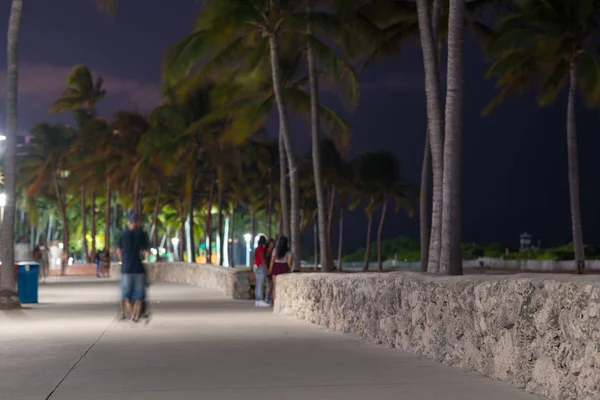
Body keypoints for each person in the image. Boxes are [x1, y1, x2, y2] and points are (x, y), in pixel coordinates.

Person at [117, 213, 150, 322]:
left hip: (126, 269)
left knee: (126, 295)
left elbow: (118, 250)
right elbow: (147, 251)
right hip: (139, 269)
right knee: (139, 296)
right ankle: (136, 315)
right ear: (137, 222)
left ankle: (130, 315)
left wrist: (122, 260)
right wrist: (144, 257)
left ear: (128, 222)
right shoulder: (141, 234)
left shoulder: (123, 234)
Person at [268, 235, 292, 305]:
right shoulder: (288, 251)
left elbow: (272, 260)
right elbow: (289, 262)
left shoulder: (275, 250)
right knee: (283, 286)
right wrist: (289, 270)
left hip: (276, 266)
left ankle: (274, 302)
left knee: (275, 286)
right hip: (284, 267)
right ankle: (282, 302)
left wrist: (270, 269)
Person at [253, 235, 269, 307]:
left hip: (256, 266)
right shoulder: (262, 248)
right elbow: (262, 259)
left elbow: (254, 258)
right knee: (261, 284)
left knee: (257, 284)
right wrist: (266, 268)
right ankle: (260, 300)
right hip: (261, 266)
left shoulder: (256, 248)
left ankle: (257, 300)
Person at [264, 238, 275, 304]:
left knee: (271, 285)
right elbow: (265, 261)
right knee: (268, 284)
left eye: (273, 243)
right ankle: (267, 299)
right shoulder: (266, 251)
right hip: (267, 268)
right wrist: (267, 269)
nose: (272, 245)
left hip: (272, 269)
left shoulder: (273, 251)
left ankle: (270, 299)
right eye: (271, 243)